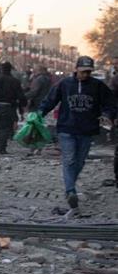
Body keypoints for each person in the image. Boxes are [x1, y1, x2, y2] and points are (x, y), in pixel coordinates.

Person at [37, 56, 116, 209]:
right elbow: (51, 100)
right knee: (69, 159)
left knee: (79, 161)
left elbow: (110, 104)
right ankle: (70, 190)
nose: (86, 74)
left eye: (88, 72)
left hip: (87, 130)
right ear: (76, 69)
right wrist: (40, 112)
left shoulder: (97, 86)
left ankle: (70, 184)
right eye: (83, 71)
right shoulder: (64, 84)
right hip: (67, 128)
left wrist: (107, 116)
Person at [0, 61, 26, 154]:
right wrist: (22, 107)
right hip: (7, 106)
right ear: (10, 69)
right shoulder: (15, 81)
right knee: (4, 128)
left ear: (1, 69)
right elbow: (20, 96)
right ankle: (1, 148)